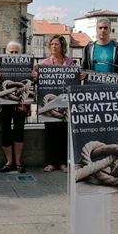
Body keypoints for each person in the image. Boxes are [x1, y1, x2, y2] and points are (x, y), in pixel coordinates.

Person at [0, 41, 29, 174]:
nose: (13, 54)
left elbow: (31, 86)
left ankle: (18, 162)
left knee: (19, 131)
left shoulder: (27, 66)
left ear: (21, 53)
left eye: (16, 52)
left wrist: (34, 78)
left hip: (20, 104)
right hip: (4, 105)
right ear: (6, 53)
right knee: (5, 132)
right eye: (11, 52)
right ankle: (9, 161)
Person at [41, 35, 76, 173]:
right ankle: (51, 162)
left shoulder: (70, 63)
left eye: (56, 44)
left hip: (65, 105)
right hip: (49, 105)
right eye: (52, 44)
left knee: (63, 134)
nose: (54, 47)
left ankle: (63, 162)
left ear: (62, 46)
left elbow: (74, 79)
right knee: (50, 133)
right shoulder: (44, 63)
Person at [81, 18, 118, 83]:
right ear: (96, 30)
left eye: (105, 28)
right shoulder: (88, 48)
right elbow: (83, 68)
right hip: (92, 89)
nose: (103, 30)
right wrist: (82, 74)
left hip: (112, 90)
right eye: (100, 28)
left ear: (110, 30)